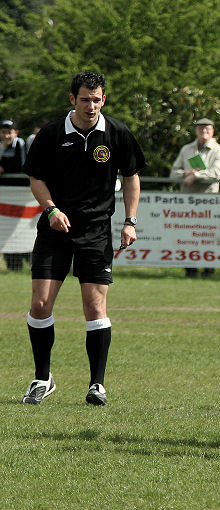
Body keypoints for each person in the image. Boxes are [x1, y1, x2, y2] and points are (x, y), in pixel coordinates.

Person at [21, 71, 145, 406]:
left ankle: (96, 385)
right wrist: (50, 209)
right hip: (54, 229)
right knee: (40, 303)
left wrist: (130, 221)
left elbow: (131, 178)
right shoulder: (49, 135)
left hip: (95, 232)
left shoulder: (117, 133)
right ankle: (42, 378)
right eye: (85, 99)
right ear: (72, 99)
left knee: (94, 306)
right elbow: (36, 179)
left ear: (104, 99)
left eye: (97, 99)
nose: (91, 105)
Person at [170, 117, 220, 277]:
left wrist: (196, 176)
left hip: (209, 202)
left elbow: (216, 174)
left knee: (208, 235)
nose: (204, 131)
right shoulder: (186, 149)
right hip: (188, 202)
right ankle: (190, 269)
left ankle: (209, 270)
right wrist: (186, 174)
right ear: (196, 131)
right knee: (188, 235)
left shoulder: (218, 150)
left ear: (213, 131)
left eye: (207, 129)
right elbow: (174, 173)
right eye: (201, 128)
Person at [1, 119, 30, 270]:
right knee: (7, 231)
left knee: (24, 230)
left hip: (22, 197)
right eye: (4, 132)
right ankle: (13, 266)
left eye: (9, 132)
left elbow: (23, 166)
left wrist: (4, 168)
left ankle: (29, 261)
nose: (6, 135)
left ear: (16, 133)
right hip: (5, 199)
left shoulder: (20, 144)